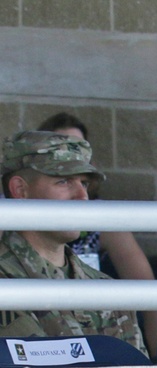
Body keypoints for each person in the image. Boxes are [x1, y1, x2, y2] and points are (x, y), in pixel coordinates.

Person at [0, 130, 147, 356]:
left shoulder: (105, 289)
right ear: (20, 190)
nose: (82, 196)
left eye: (84, 183)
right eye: (64, 181)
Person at [36, 112, 157, 358]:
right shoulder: (11, 214)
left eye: (79, 148)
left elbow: (149, 293)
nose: (71, 154)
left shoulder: (101, 217)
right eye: (63, 179)